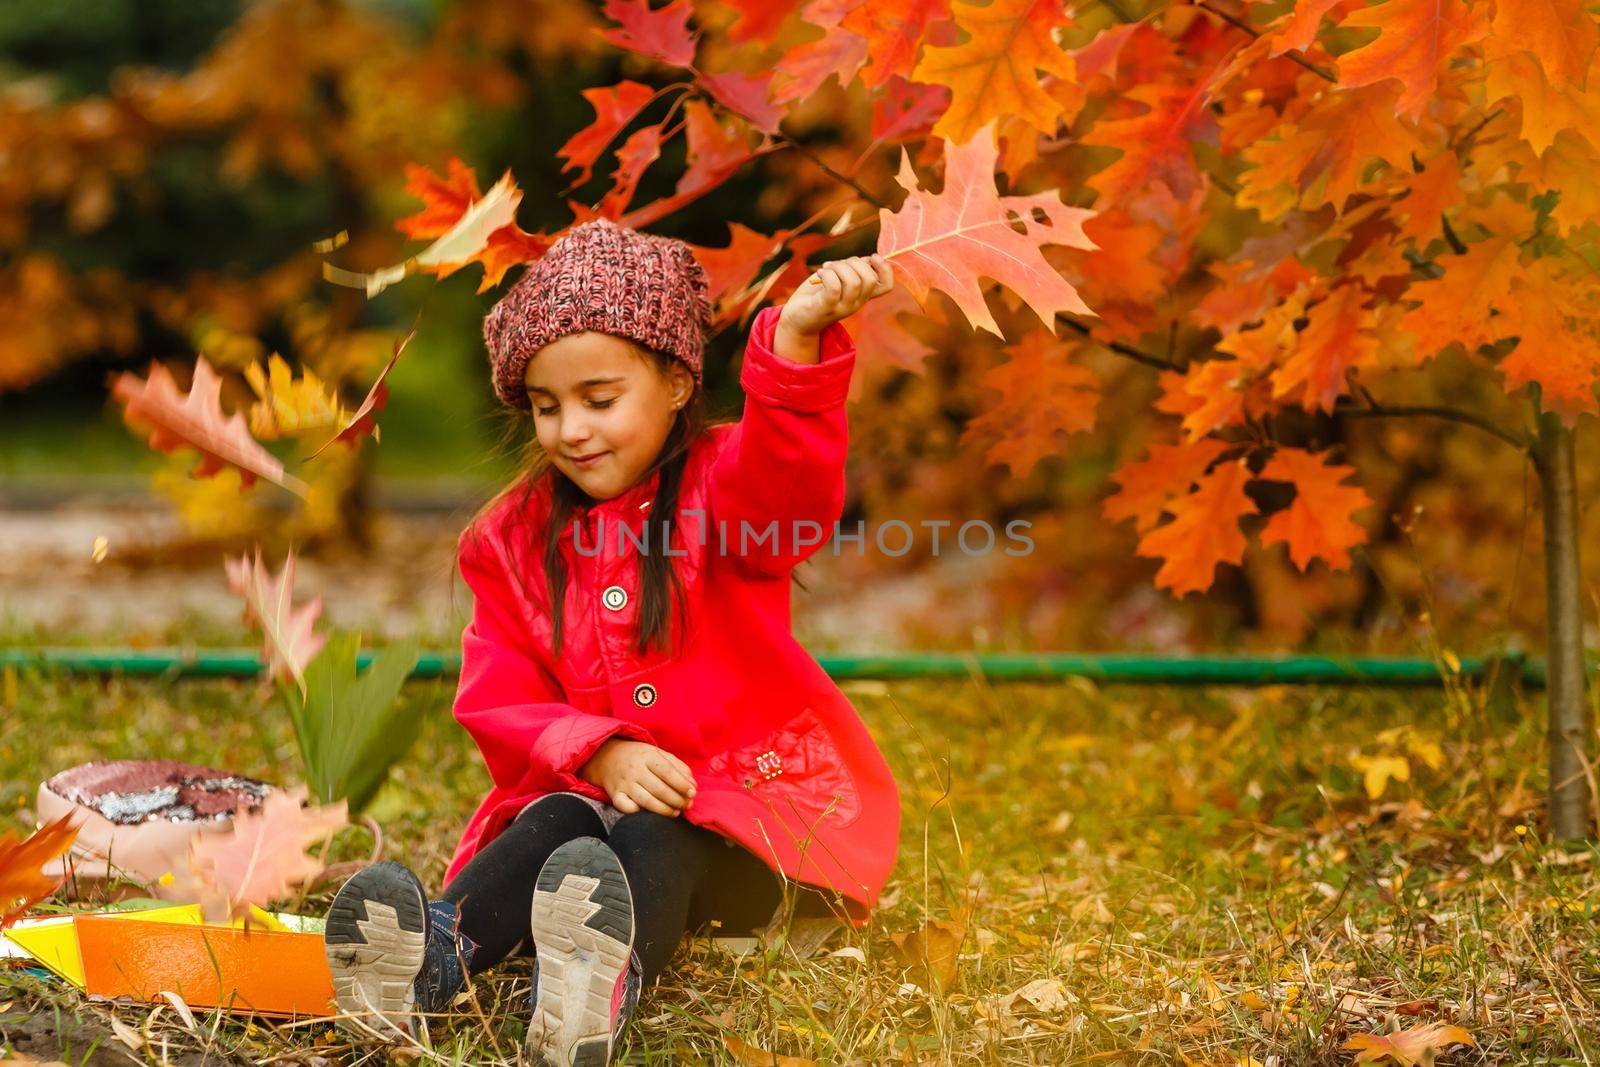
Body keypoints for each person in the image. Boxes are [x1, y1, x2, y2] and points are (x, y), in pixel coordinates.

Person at [322, 217, 902, 1066]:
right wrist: (592, 752)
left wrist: (798, 346)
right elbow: (498, 690)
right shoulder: (513, 539)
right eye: (547, 406)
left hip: (753, 832)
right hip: (595, 812)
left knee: (648, 835)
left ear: (674, 382)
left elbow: (792, 491)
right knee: (563, 818)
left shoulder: (725, 492)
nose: (571, 431)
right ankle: (427, 966)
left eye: (599, 400)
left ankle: (593, 993)